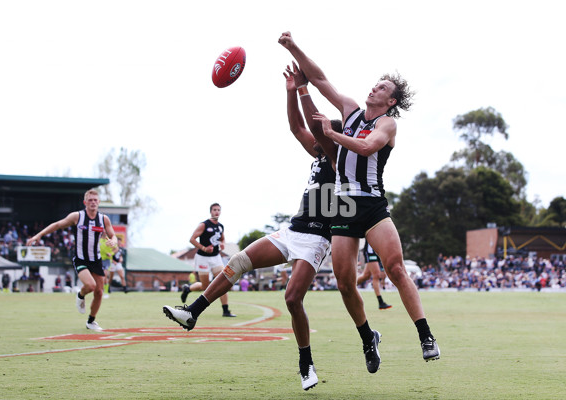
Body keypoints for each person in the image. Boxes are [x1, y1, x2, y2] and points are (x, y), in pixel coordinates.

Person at [163, 65, 340, 391]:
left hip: (317, 237)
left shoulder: (336, 157)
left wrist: (304, 90)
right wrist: (290, 89)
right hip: (294, 229)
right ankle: (192, 313)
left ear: (331, 137)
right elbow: (296, 126)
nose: (316, 133)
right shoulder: (318, 153)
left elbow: (312, 121)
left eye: (324, 131)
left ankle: (306, 363)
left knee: (291, 299)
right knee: (239, 260)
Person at [279, 31, 440, 366]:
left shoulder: (387, 123)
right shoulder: (351, 108)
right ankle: (368, 337)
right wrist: (293, 47)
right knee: (344, 284)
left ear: (391, 100)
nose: (374, 88)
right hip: (343, 205)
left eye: (382, 88)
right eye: (375, 84)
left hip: (371, 205)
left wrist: (332, 133)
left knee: (395, 268)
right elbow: (320, 78)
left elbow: (367, 147)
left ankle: (425, 334)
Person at [26, 189, 117, 331]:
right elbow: (57, 225)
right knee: (91, 286)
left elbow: (113, 235)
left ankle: (91, 321)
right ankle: (80, 295)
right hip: (81, 259)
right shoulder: (77, 217)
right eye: (90, 200)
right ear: (85, 202)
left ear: (99, 202)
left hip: (96, 259)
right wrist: (39, 235)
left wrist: (113, 241)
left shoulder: (103, 219)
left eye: (95, 200)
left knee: (99, 292)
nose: (93, 202)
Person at [179, 203, 236, 318]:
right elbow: (192, 239)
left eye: (218, 210)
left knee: (222, 282)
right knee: (205, 286)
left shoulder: (220, 226)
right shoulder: (204, 225)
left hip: (215, 258)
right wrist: (204, 248)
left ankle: (226, 310)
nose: (216, 212)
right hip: (202, 258)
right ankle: (188, 289)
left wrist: (223, 244)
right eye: (214, 210)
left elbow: (222, 238)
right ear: (211, 211)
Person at [358, 241, 392, 310]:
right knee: (376, 275)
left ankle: (348, 286)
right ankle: (380, 302)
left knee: (366, 275)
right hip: (370, 252)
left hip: (376, 252)